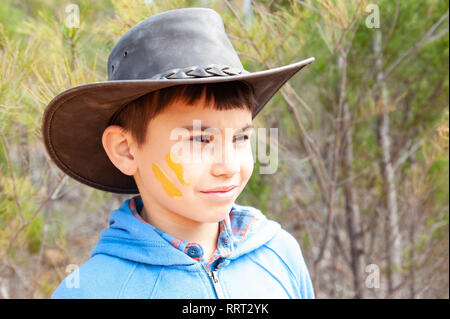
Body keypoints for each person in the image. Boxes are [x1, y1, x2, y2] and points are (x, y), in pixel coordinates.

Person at [43, 7, 315, 299]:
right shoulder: (91, 291)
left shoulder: (280, 255)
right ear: (126, 150)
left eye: (240, 137)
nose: (228, 166)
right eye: (199, 140)